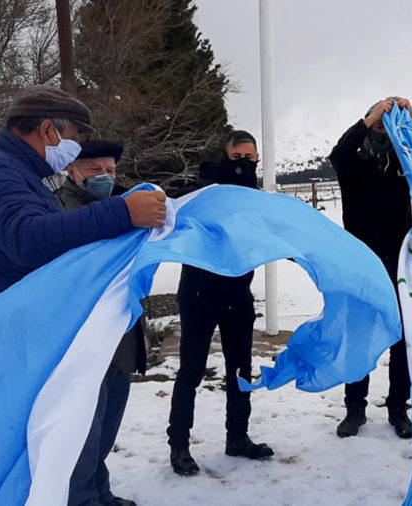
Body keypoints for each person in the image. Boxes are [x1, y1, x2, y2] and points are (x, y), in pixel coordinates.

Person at [0, 85, 167, 419]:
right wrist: (122, 213)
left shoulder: (16, 171)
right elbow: (27, 240)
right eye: (73, 137)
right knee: (20, 471)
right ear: (48, 129)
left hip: (5, 351)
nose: (74, 149)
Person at [328, 97, 412, 439]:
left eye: (386, 125)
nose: (382, 129)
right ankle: (355, 408)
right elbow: (339, 153)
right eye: (377, 124)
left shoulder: (403, 162)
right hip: (362, 262)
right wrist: (371, 117)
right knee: (359, 336)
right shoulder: (354, 163)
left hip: (400, 260)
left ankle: (398, 408)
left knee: (401, 339)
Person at [166, 130, 272, 477]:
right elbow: (174, 207)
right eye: (237, 157)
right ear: (225, 155)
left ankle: (237, 437)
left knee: (241, 370)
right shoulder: (203, 189)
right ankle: (179, 445)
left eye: (250, 158)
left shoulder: (254, 198)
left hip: (238, 293)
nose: (243, 165)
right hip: (199, 294)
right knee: (191, 371)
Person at [56, 140, 145, 506]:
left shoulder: (124, 210)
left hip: (119, 340)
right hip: (85, 342)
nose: (105, 178)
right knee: (82, 438)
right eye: (95, 170)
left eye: (110, 171)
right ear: (72, 171)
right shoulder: (61, 211)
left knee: (104, 434)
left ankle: (100, 494)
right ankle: (81, 500)